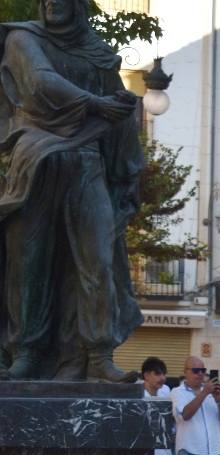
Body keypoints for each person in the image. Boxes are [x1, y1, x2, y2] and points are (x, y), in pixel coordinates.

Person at [0, 0, 142, 381]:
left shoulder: (97, 51)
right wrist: (97, 104)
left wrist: (123, 103)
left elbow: (118, 104)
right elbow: (40, 81)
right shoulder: (22, 38)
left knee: (97, 260)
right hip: (36, 157)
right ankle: (26, 352)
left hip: (87, 159)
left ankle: (97, 355)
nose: (51, 3)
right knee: (30, 263)